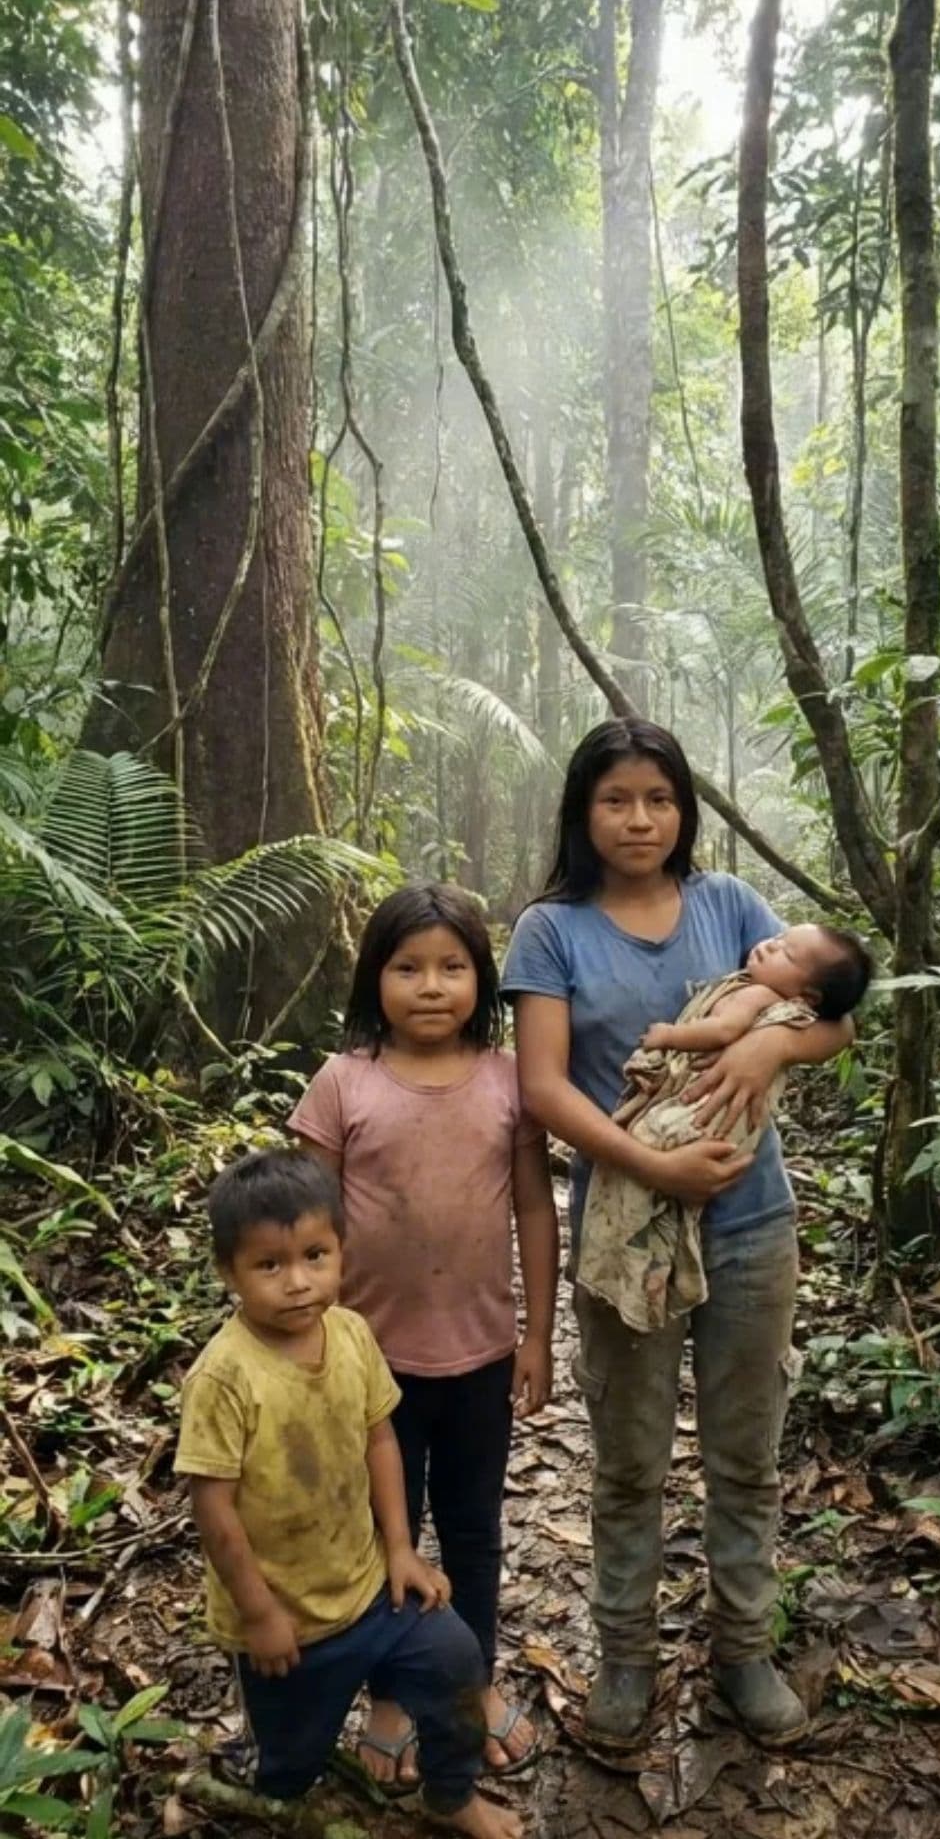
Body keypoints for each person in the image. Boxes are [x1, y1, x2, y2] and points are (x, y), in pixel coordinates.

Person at [503, 719, 857, 1750]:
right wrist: (653, 1165)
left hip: (751, 1226)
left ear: (684, 810)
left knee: (746, 1455)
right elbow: (542, 1087)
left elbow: (835, 1012)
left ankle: (744, 1654)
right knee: (630, 1461)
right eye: (617, 799)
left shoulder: (732, 904)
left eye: (659, 799)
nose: (640, 819)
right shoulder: (550, 930)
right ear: (583, 812)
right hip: (624, 1233)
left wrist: (768, 1054)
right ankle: (626, 1661)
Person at [288, 883, 558, 1793]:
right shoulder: (344, 1082)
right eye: (408, 967)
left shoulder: (507, 1078)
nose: (432, 986)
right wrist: (308, 1350)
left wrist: (537, 1336)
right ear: (375, 976)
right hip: (370, 1371)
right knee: (379, 1534)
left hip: (480, 1356)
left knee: (473, 1530)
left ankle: (472, 1684)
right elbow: (308, 1226)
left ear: (481, 979)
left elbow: (533, 1207)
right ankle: (392, 1697)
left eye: (452, 967)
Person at [175, 1148, 522, 1839]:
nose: (298, 1282)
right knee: (286, 1765)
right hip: (285, 1618)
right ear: (228, 1272)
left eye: (315, 1255)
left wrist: (401, 1549)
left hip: (369, 1590)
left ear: (341, 1249)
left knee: (456, 1662)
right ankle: (242, 1790)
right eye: (269, 1265)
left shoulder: (353, 1334)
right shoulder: (224, 1377)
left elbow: (380, 1441)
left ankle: (451, 1795)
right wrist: (259, 1613)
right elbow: (214, 1510)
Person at [579, 924, 873, 1334]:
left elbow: (725, 1030)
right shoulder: (771, 985)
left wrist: (670, 1035)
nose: (768, 945)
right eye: (777, 940)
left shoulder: (757, 992)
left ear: (808, 996)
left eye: (785, 952)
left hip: (739, 1201)